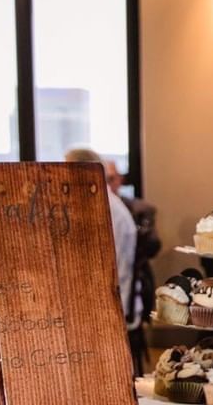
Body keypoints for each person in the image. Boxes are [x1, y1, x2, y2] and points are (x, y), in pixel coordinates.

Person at [64, 148, 137, 326]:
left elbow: (111, 270)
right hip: (103, 293)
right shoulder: (99, 201)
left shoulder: (105, 207)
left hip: (110, 303)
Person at [105, 160, 162, 376]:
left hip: (131, 285)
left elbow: (151, 247)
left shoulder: (131, 210)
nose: (108, 184)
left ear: (119, 180)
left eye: (111, 179)